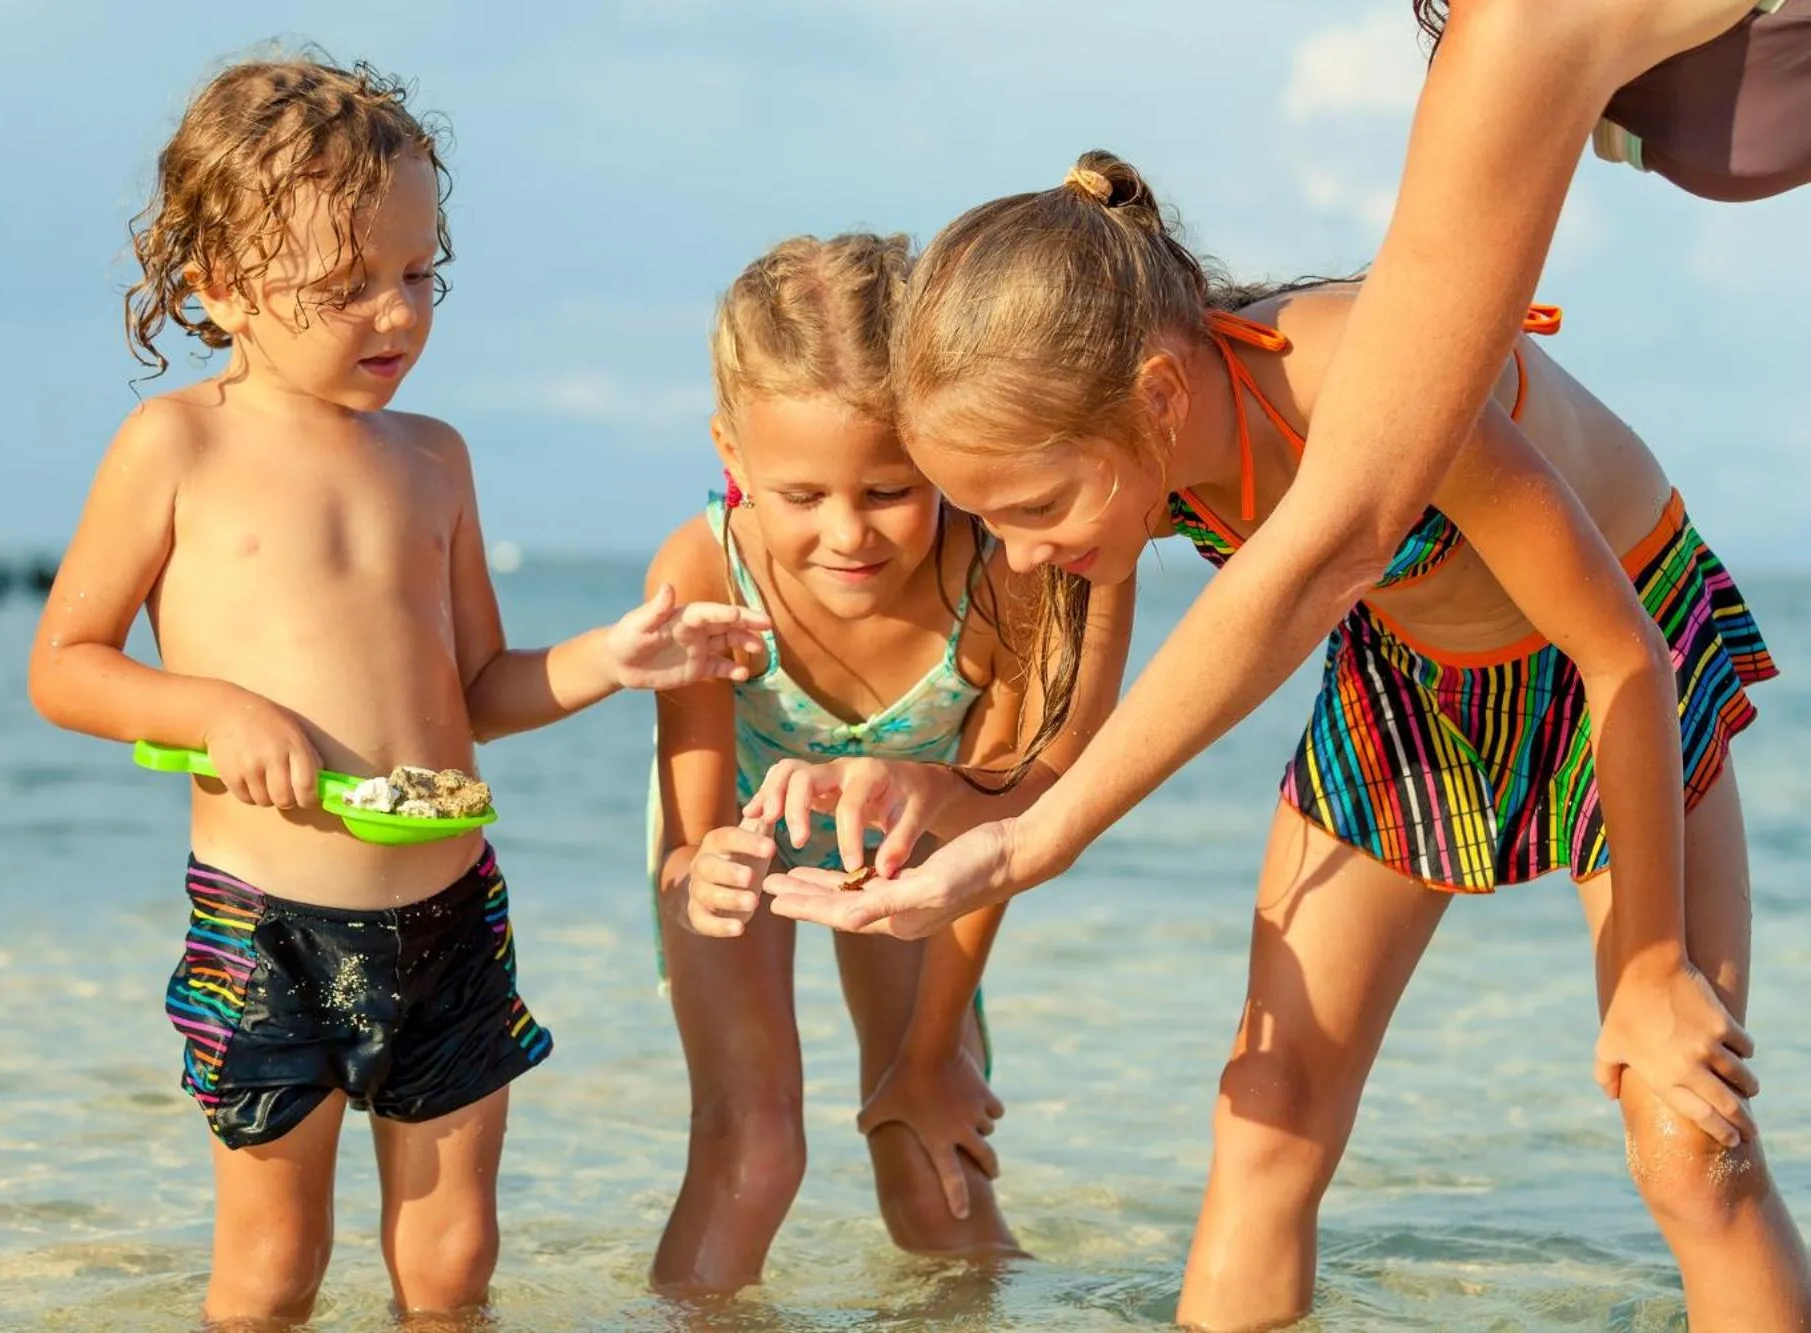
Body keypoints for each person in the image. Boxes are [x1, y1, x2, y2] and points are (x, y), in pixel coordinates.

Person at [756, 153, 1811, 1330]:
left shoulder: (1371, 369)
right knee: (1266, 1104)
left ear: (1157, 397)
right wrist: (943, 789)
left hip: (1616, 680)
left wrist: (1655, 967)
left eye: (1037, 509)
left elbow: (1623, 654)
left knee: (1683, 1141)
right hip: (1409, 684)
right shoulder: (1126, 459)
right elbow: (1066, 766)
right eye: (990, 519)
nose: (1013, 553)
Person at [26, 54, 766, 1326]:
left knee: (451, 1262)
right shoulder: (178, 446)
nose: (397, 316)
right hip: (269, 921)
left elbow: (478, 687)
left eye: (418, 275)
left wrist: (613, 658)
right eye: (345, 285)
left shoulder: (434, 459)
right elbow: (65, 667)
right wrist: (215, 711)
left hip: (450, 907)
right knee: (271, 1270)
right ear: (217, 290)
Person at [645, 233, 1133, 1294]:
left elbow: (1005, 823)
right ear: (732, 455)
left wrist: (925, 1058)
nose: (847, 534)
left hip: (927, 843)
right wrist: (706, 875)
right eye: (802, 495)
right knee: (755, 1154)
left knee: (928, 1159)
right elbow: (689, 852)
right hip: (743, 838)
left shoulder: (999, 576)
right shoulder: (704, 570)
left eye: (889, 489)